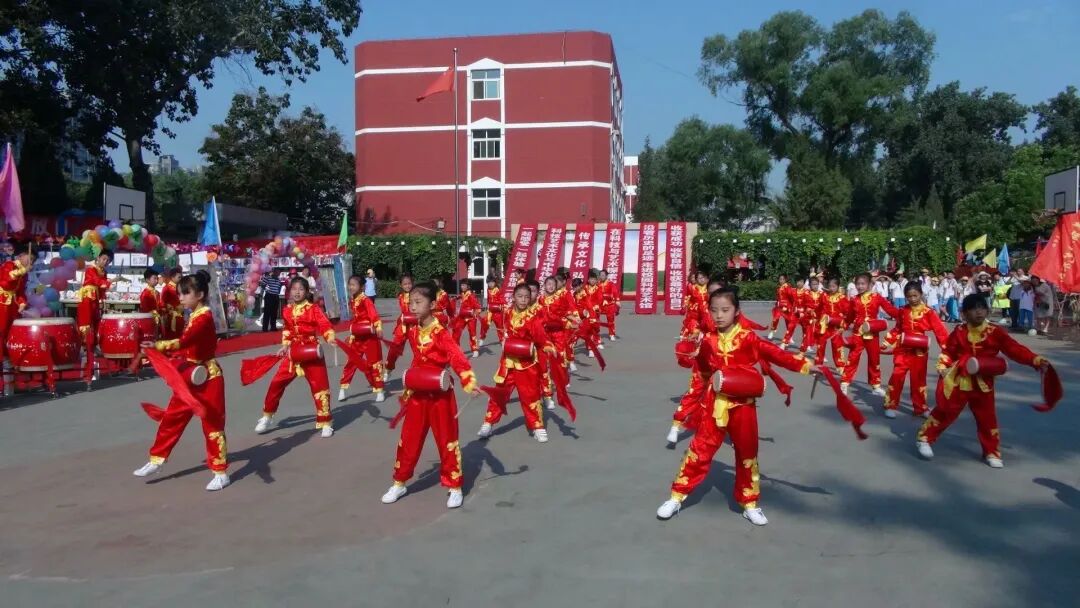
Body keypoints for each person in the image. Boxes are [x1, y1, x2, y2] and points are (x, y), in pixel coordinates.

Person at [656, 287, 814, 526]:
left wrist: (805, 365)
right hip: (715, 403)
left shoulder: (748, 338)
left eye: (725, 310)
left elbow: (774, 353)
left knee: (747, 453)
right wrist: (691, 362)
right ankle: (676, 497)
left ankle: (749, 503)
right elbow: (703, 370)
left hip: (743, 405)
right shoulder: (708, 340)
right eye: (714, 310)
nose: (719, 315)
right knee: (699, 450)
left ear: (737, 311)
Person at [916, 294, 1051, 467]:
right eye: (973, 309)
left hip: (984, 383)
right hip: (960, 380)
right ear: (965, 313)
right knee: (946, 411)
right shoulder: (960, 331)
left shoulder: (995, 332)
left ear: (987, 310)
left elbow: (1014, 349)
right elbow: (948, 351)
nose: (978, 312)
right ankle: (924, 438)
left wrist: (1035, 360)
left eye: (981, 308)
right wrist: (943, 366)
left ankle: (991, 452)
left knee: (987, 418)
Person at [382, 281, 479, 509]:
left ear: (432, 304)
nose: (413, 307)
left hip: (440, 395)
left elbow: (456, 357)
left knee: (446, 439)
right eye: (411, 303)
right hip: (418, 393)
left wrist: (468, 381)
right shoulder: (412, 329)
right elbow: (400, 347)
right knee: (409, 438)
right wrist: (390, 365)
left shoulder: (441, 333)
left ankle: (454, 486)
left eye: (418, 302)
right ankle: (399, 482)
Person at [132, 271, 230, 491]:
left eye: (186, 293)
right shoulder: (194, 315)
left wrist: (158, 346)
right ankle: (157, 459)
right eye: (180, 294)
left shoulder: (204, 318)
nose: (181, 298)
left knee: (212, 424)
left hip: (209, 377)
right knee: (172, 418)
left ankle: (220, 472)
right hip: (190, 375)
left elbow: (186, 340)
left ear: (200, 295)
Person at [255, 277, 337, 438]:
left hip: (311, 351)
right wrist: (285, 345)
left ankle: (326, 422)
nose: (297, 292)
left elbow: (324, 324)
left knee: (320, 387)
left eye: (300, 289)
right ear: (289, 291)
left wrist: (330, 337)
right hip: (294, 353)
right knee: (276, 383)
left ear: (306, 292)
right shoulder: (287, 310)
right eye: (294, 289)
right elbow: (287, 329)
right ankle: (267, 416)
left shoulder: (313, 309)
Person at [478, 283, 558, 442]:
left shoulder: (532, 318)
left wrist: (549, 347)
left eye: (526, 297)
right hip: (507, 363)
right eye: (520, 296)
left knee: (530, 396)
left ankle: (537, 426)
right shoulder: (507, 313)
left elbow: (541, 338)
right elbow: (497, 322)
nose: (523, 300)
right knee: (499, 394)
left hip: (526, 364)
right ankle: (488, 423)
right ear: (514, 297)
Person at [881, 282, 949, 418]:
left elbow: (940, 331)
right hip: (902, 350)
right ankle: (890, 404)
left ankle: (920, 407)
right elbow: (898, 328)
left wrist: (948, 351)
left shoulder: (929, 312)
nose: (912, 299)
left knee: (918, 380)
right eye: (909, 296)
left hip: (920, 350)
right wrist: (887, 341)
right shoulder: (903, 311)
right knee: (897, 377)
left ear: (921, 294)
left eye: (915, 296)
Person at [840, 273, 900, 396]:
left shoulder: (877, 297)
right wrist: (843, 327)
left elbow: (890, 309)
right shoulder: (854, 300)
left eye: (863, 284)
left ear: (869, 285)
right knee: (853, 357)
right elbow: (849, 316)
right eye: (858, 284)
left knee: (874, 359)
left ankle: (875, 385)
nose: (860, 286)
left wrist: (904, 315)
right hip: (858, 333)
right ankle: (845, 382)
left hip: (873, 332)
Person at [338, 274, 386, 402]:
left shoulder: (366, 300)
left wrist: (378, 328)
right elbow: (355, 318)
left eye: (354, 285)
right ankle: (343, 388)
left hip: (370, 337)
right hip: (358, 337)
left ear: (362, 287)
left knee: (374, 364)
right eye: (350, 284)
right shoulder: (352, 300)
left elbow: (373, 315)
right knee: (352, 361)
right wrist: (353, 332)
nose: (351, 287)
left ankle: (379, 390)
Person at [77, 251, 112, 382]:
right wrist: (107, 283)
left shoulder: (103, 272)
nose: (105, 262)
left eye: (108, 260)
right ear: (98, 258)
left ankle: (94, 345)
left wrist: (104, 295)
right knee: (86, 325)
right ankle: (86, 346)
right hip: (87, 299)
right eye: (104, 259)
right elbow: (96, 281)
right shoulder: (90, 269)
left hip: (95, 301)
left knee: (97, 323)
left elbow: (102, 288)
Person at [0, 246, 30, 391]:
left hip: (12, 307)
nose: (31, 262)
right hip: (2, 304)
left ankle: (10, 385)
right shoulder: (8, 265)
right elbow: (6, 283)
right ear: (20, 256)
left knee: (11, 338)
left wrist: (23, 302)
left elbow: (20, 292)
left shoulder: (24, 273)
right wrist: (22, 271)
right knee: (2, 334)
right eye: (29, 258)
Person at [815, 278, 849, 369]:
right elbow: (818, 308)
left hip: (836, 326)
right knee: (821, 345)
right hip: (824, 325)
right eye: (830, 286)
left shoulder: (842, 298)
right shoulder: (824, 296)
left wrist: (843, 325)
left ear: (838, 287)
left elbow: (848, 313)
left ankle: (840, 366)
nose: (831, 288)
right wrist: (817, 318)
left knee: (837, 345)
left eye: (834, 286)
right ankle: (818, 365)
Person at [453, 280, 481, 358]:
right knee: (456, 331)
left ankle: (475, 350)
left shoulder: (471, 296)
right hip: (462, 317)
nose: (462, 287)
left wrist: (474, 313)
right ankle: (456, 349)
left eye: (464, 285)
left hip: (471, 318)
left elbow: (478, 307)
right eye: (461, 285)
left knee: (472, 334)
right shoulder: (462, 294)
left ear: (468, 286)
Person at [767, 274, 796, 344]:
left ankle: (789, 337)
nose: (781, 281)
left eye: (783, 279)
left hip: (787, 307)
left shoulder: (788, 287)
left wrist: (793, 306)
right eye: (780, 279)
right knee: (775, 319)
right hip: (779, 307)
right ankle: (772, 331)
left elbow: (792, 297)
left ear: (785, 280)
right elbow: (778, 297)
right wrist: (777, 303)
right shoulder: (778, 288)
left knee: (788, 322)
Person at [798, 275, 823, 353]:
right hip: (808, 317)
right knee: (807, 333)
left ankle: (820, 354)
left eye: (816, 284)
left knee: (820, 336)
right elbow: (802, 304)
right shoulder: (806, 293)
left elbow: (824, 305)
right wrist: (802, 312)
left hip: (818, 318)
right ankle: (802, 352)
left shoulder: (822, 294)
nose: (815, 286)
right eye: (813, 284)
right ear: (809, 285)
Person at [481, 276, 504, 344]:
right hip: (490, 312)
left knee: (499, 327)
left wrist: (497, 305)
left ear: (495, 283)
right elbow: (488, 299)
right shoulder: (488, 290)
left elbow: (502, 301)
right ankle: (482, 338)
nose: (490, 284)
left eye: (492, 282)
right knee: (485, 324)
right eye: (489, 282)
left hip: (497, 313)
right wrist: (488, 306)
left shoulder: (498, 290)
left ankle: (502, 340)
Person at [599, 269, 620, 341]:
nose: (601, 277)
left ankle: (611, 334)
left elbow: (615, 292)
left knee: (610, 319)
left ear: (606, 276)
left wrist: (617, 300)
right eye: (600, 275)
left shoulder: (611, 284)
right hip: (600, 305)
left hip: (609, 304)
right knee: (595, 319)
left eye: (603, 275)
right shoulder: (597, 284)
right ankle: (596, 334)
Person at [392, 274, 414, 340]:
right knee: (398, 339)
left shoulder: (416, 294)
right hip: (404, 320)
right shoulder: (401, 296)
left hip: (414, 320)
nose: (407, 286)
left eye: (409, 283)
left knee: (414, 339)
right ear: (401, 285)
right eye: (405, 284)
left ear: (412, 283)